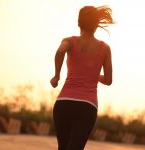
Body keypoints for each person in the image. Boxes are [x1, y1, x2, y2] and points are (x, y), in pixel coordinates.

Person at [50, 5, 114, 150]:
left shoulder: (70, 41)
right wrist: (93, 75)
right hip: (87, 106)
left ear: (79, 22)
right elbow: (109, 80)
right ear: (96, 25)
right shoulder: (105, 49)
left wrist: (56, 76)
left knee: (63, 147)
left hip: (64, 103)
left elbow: (60, 51)